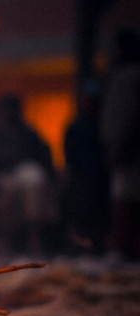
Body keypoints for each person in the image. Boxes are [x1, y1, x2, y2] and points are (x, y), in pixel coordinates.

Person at [0, 96, 56, 253]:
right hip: (4, 177)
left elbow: (44, 154)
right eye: (6, 110)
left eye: (12, 110)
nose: (8, 113)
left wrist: (52, 178)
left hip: (27, 172)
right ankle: (7, 242)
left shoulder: (28, 133)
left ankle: (34, 238)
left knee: (33, 180)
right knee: (6, 196)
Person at [100, 29, 140, 261]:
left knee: (126, 197)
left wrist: (120, 143)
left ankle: (126, 247)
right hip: (125, 146)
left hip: (129, 149)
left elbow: (125, 114)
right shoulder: (123, 75)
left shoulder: (129, 77)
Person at [62, 81, 110, 254]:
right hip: (81, 178)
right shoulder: (75, 127)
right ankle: (79, 245)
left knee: (101, 214)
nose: (91, 103)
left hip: (102, 177)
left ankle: (99, 244)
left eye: (94, 99)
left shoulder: (104, 126)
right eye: (88, 99)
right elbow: (70, 155)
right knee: (80, 210)